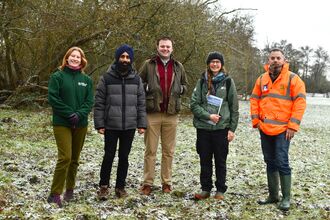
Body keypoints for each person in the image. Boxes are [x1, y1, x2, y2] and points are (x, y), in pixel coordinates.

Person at [250, 48, 306, 211]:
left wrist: (293, 126)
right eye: (272, 58)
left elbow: (300, 103)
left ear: (284, 60)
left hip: (284, 130)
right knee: (270, 161)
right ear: (268, 60)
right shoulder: (262, 79)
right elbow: (254, 99)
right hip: (265, 128)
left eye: (278, 58)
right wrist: (256, 121)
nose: (275, 60)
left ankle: (286, 198)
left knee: (282, 161)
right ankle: (273, 196)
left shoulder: (293, 79)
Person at [94, 44, 147, 200]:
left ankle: (120, 187)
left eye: (128, 57)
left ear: (131, 59)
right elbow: (99, 102)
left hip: (129, 126)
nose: (125, 59)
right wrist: (99, 124)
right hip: (111, 125)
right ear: (117, 58)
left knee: (124, 157)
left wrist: (142, 124)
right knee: (108, 156)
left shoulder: (136, 80)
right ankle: (104, 186)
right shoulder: (106, 78)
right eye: (122, 56)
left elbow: (141, 103)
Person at [139, 36, 188, 195]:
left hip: (171, 113)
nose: (165, 49)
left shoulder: (178, 66)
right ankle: (147, 183)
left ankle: (166, 183)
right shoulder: (148, 64)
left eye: (168, 47)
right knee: (150, 150)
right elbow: (139, 83)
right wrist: (147, 88)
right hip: (152, 112)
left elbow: (185, 85)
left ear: (172, 48)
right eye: (162, 46)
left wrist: (180, 90)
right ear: (157, 47)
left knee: (168, 151)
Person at [47, 46, 94, 207]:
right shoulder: (57, 76)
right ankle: (54, 194)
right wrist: (69, 113)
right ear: (67, 58)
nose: (75, 59)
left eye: (78, 57)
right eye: (72, 56)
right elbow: (53, 98)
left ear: (82, 60)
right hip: (62, 123)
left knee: (74, 159)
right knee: (65, 157)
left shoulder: (86, 80)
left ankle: (70, 190)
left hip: (80, 123)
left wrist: (79, 115)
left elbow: (89, 101)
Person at [190, 51, 239, 200]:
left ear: (222, 64)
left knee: (220, 161)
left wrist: (232, 129)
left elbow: (234, 107)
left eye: (218, 62)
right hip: (204, 129)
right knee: (204, 160)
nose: (215, 64)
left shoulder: (228, 82)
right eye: (212, 62)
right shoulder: (201, 81)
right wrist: (208, 116)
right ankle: (205, 189)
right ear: (208, 64)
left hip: (221, 129)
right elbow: (194, 104)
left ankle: (220, 190)